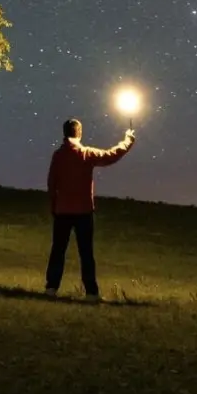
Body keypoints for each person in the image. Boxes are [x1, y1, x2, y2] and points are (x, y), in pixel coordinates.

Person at [45, 117, 136, 300]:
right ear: (79, 132)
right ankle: (91, 293)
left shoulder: (58, 155)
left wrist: (54, 206)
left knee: (58, 251)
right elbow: (110, 156)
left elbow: (51, 182)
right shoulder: (85, 153)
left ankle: (51, 288)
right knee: (86, 253)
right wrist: (127, 141)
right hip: (83, 212)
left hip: (62, 211)